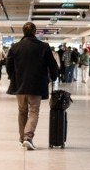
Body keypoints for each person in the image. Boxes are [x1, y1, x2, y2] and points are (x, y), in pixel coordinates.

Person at [5, 22, 59, 150]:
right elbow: (52, 65)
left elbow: (9, 66)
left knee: (22, 111)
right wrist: (54, 76)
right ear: (34, 32)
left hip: (20, 84)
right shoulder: (44, 47)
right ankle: (28, 137)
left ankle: (22, 138)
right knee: (34, 111)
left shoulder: (15, 47)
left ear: (23, 32)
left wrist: (14, 76)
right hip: (37, 84)